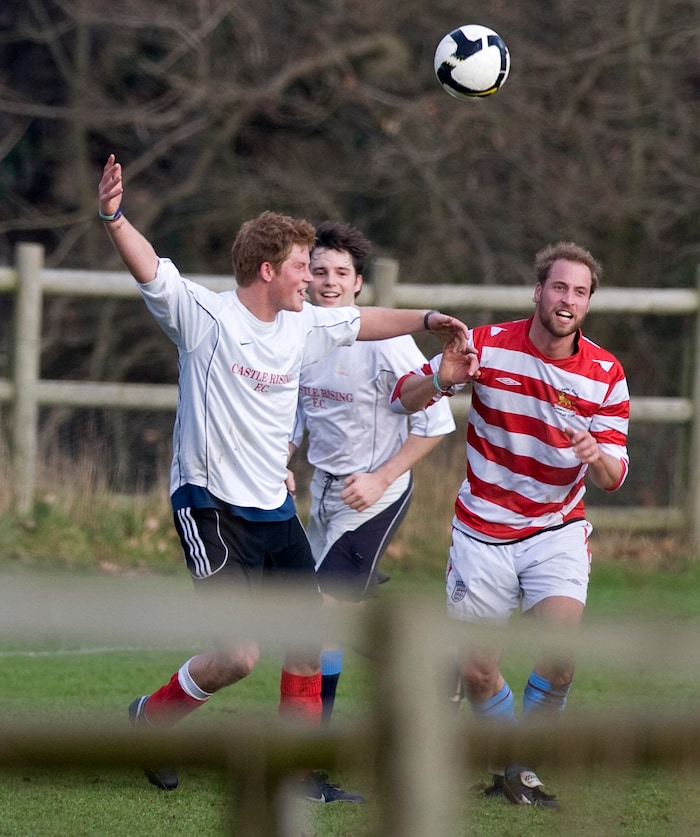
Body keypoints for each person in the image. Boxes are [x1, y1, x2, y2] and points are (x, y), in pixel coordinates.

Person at [96, 154, 473, 799]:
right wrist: (113, 216)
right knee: (240, 656)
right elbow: (152, 270)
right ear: (268, 271)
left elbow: (364, 322)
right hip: (208, 507)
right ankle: (151, 719)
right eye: (304, 266)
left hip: (274, 509)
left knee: (307, 639)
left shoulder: (302, 326)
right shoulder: (206, 319)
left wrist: (430, 323)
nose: (315, 280)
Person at [389, 241, 630, 808]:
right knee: (477, 672)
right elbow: (405, 397)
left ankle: (521, 769)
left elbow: (614, 476)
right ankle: (505, 763)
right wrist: (445, 379)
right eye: (558, 287)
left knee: (561, 657)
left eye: (579, 291)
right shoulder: (489, 346)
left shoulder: (605, 373)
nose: (566, 299)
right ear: (538, 291)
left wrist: (594, 453)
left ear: (589, 303)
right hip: (482, 531)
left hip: (557, 529)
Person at [289, 221, 456, 729]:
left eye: (342, 272)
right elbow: (294, 415)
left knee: (321, 620)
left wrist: (381, 479)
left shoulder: (385, 342)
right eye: (320, 271)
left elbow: (435, 424)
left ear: (359, 282)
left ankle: (313, 755)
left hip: (375, 497)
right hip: (324, 494)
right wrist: (282, 461)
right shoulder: (299, 335)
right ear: (305, 277)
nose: (330, 282)